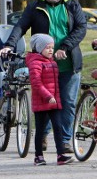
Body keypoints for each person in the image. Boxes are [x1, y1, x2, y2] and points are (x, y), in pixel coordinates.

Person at [1, 0, 87, 152]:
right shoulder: (34, 7)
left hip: (68, 64)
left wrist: (65, 47)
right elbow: (20, 27)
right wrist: (9, 45)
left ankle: (64, 141)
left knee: (68, 102)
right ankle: (44, 135)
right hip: (45, 67)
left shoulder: (72, 6)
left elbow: (81, 28)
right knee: (47, 102)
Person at [27, 34, 73, 166]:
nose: (51, 50)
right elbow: (36, 83)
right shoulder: (35, 63)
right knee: (40, 130)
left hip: (54, 102)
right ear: (39, 48)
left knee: (58, 127)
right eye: (47, 48)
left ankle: (60, 155)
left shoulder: (52, 62)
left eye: (52, 47)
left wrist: (55, 98)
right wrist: (47, 96)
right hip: (42, 101)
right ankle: (38, 156)